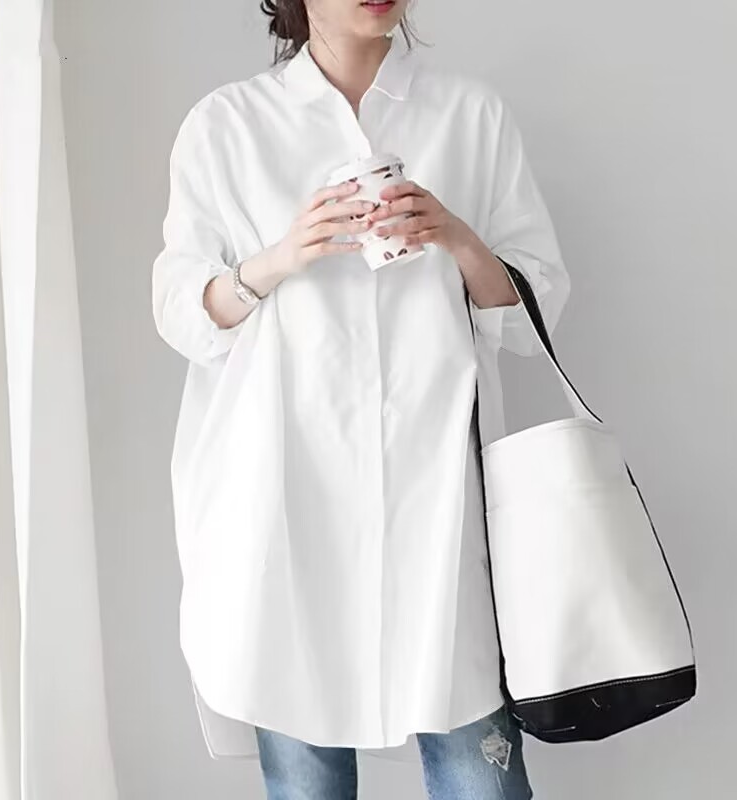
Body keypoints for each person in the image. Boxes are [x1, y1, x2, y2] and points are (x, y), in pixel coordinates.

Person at [151, 0, 571, 797]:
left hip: (438, 497)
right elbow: (181, 314)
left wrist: (456, 237)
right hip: (284, 498)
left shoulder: (469, 115)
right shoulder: (228, 126)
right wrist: (280, 258)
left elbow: (534, 311)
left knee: (473, 757)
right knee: (305, 757)